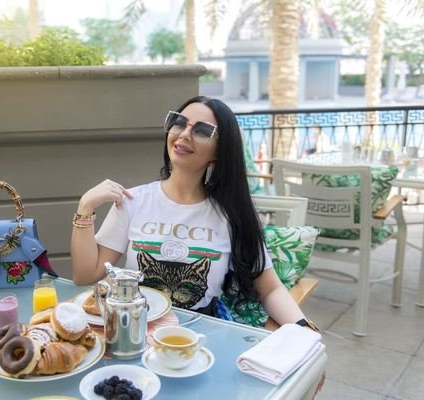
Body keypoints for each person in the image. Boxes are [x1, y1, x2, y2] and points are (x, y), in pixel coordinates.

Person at [70, 95, 313, 328]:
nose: (184, 134)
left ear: (219, 151)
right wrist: (85, 208)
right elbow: (86, 273)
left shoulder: (231, 215)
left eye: (202, 131)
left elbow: (270, 289)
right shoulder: (134, 201)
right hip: (136, 329)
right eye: (179, 123)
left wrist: (305, 329)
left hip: (201, 334)